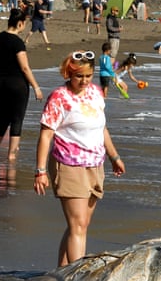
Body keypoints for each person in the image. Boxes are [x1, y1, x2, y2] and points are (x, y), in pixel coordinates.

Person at [33, 51, 126, 267]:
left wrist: (114, 156)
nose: (84, 81)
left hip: (95, 164)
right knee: (78, 225)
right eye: (79, 76)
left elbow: (102, 127)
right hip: (68, 165)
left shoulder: (95, 92)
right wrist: (40, 171)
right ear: (69, 73)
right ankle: (78, 275)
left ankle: (62, 272)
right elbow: (46, 135)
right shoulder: (59, 97)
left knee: (80, 225)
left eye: (88, 76)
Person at [0, 9, 43, 160]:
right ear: (20, 23)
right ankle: (11, 156)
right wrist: (36, 87)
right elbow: (25, 68)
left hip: (0, 81)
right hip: (17, 83)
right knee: (17, 119)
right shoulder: (18, 42)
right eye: (24, 23)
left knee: (2, 118)